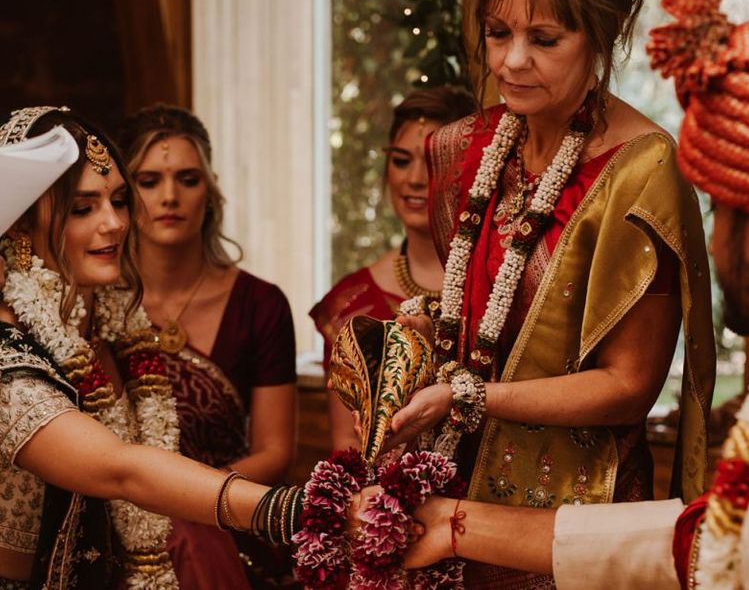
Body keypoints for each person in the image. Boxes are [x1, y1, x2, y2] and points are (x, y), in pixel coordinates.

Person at [403, 0, 749, 590]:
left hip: (582, 513)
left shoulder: (641, 166)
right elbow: (464, 312)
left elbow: (629, 384)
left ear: (600, 36)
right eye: (497, 34)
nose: (513, 61)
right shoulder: (471, 145)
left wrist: (468, 396)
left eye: (544, 38)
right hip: (452, 485)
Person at [0, 107, 307, 589]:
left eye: (119, 201)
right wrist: (292, 510)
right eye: (83, 208)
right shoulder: (8, 357)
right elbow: (121, 471)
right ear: (20, 226)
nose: (115, 223)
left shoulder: (107, 324)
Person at [117, 105, 297, 588]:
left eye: (188, 179)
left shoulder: (260, 304)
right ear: (124, 194)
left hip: (225, 517)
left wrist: (188, 497)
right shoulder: (101, 301)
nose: (169, 196)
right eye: (149, 181)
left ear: (210, 190)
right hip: (116, 521)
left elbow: (275, 451)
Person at [311, 86, 475, 450]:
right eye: (401, 160)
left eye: (432, 162)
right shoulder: (349, 302)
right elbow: (346, 446)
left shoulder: (498, 288)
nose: (414, 179)